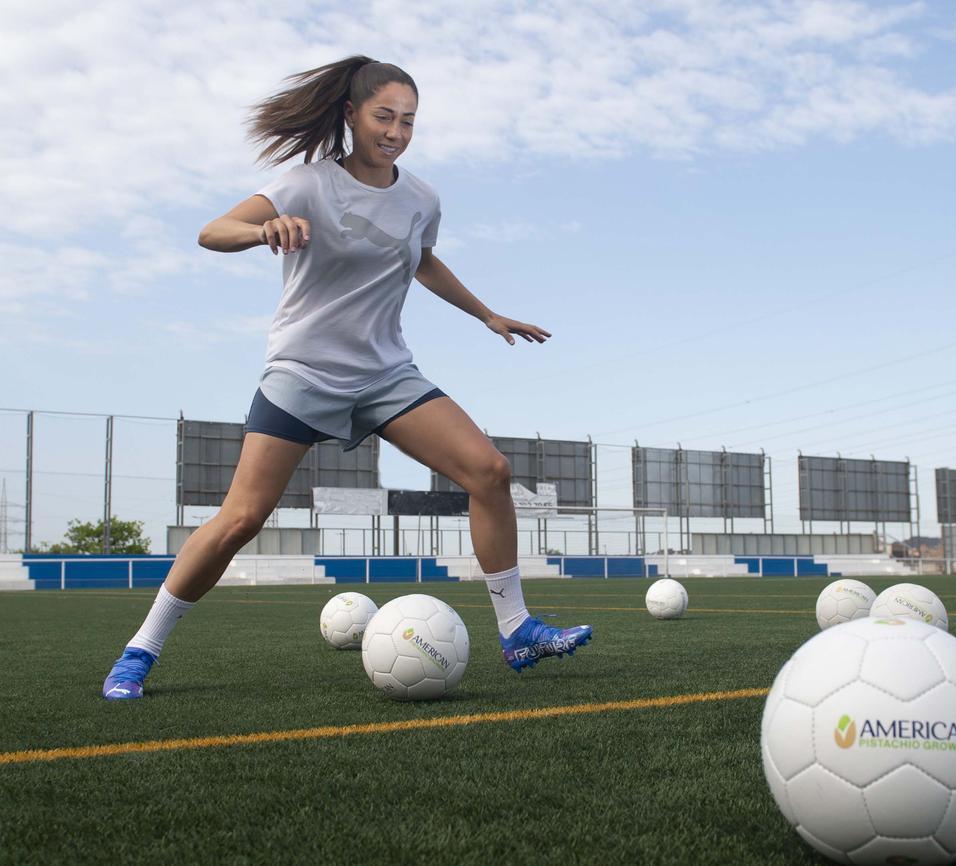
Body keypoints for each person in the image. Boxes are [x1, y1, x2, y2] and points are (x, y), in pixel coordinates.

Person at [102, 56, 592, 700]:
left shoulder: (421, 198)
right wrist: (262, 229)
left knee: (489, 471)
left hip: (387, 374)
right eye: (384, 116)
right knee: (242, 517)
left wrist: (487, 314)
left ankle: (517, 627)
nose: (396, 131)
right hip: (304, 371)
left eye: (408, 121)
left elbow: (424, 263)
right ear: (352, 115)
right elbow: (211, 231)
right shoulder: (307, 183)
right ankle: (140, 651)